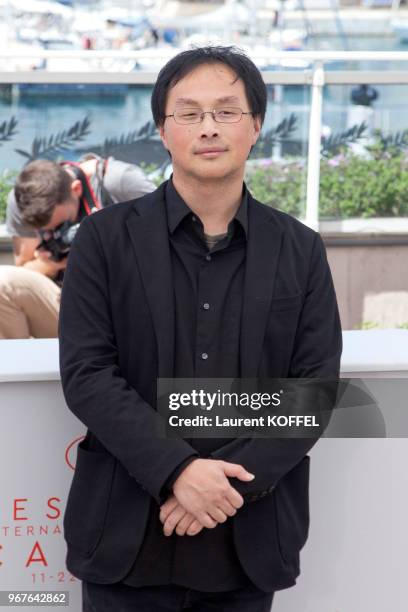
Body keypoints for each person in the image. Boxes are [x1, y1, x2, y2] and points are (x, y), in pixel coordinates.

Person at [59, 46, 342, 612]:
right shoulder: (103, 240)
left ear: (256, 126)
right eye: (188, 113)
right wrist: (177, 470)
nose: (208, 128)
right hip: (124, 536)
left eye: (226, 111)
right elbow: (89, 374)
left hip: (248, 542)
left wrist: (220, 489)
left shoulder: (299, 249)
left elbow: (311, 389)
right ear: (163, 130)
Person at [0, 155, 155, 339]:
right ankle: (21, 366)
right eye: (48, 231)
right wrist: (53, 263)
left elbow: (174, 242)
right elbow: (24, 271)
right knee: (4, 283)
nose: (58, 233)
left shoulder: (120, 182)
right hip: (67, 306)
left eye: (63, 225)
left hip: (128, 308)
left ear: (77, 189)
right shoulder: (22, 201)